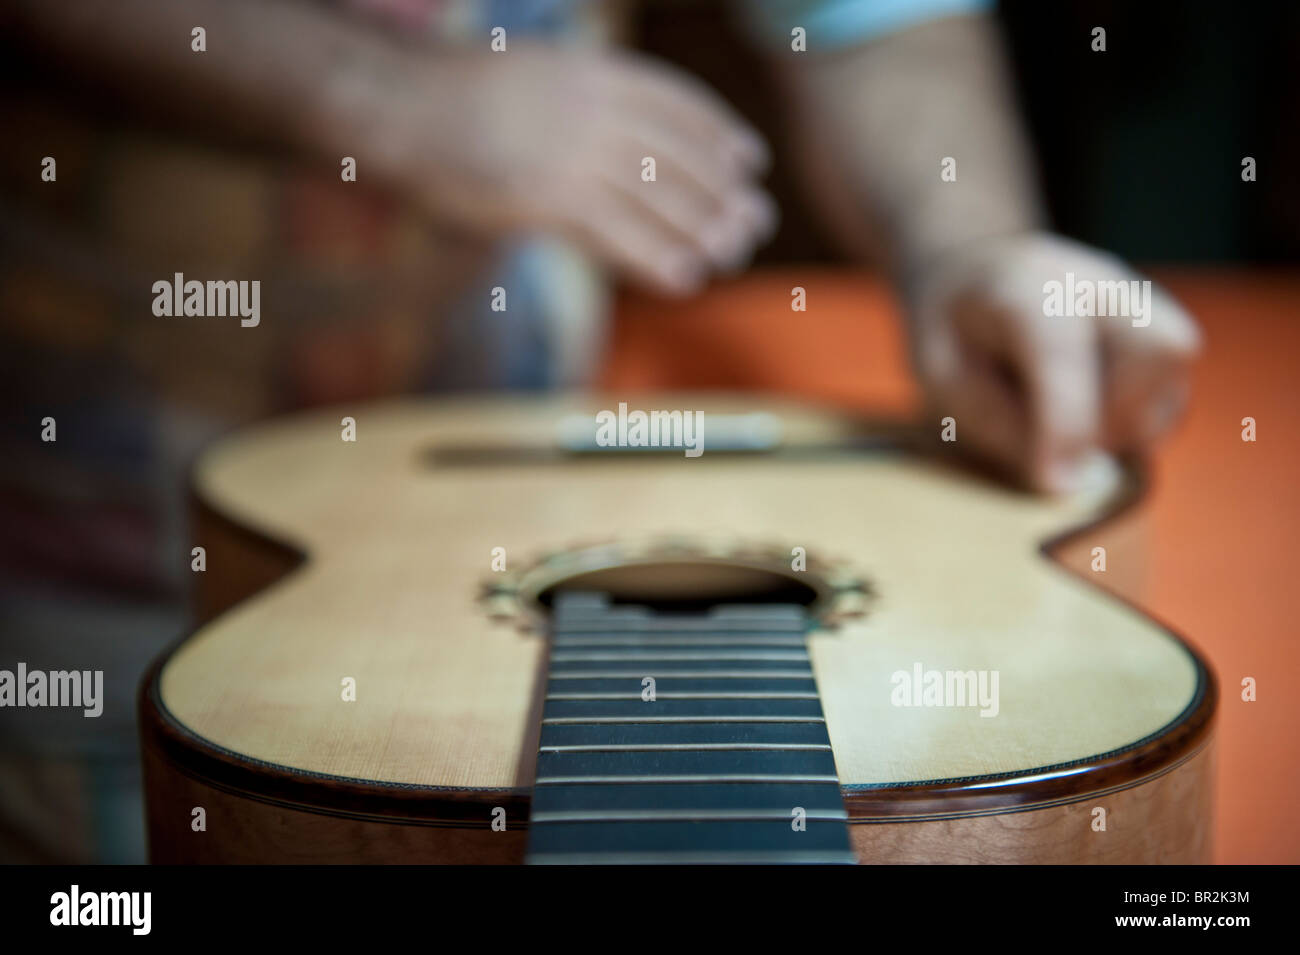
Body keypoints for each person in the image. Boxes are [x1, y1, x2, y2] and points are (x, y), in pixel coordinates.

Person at [0, 0, 1197, 861]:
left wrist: (966, 246)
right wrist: (386, 100)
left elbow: (870, 16)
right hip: (92, 560)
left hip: (525, 471)